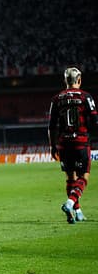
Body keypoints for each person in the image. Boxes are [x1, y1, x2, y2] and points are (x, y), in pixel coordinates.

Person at [48, 67, 98, 223]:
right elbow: (95, 121)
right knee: (84, 177)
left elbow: (51, 126)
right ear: (79, 80)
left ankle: (77, 211)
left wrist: (52, 146)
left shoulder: (56, 99)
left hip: (64, 143)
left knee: (71, 178)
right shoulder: (85, 97)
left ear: (65, 81)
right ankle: (70, 203)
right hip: (81, 142)